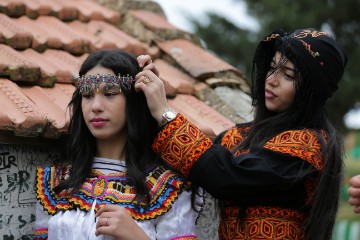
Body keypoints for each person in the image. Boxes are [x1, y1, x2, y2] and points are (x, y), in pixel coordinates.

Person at [135, 28, 348, 239]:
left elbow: (227, 177)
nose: (272, 79)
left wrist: (165, 113)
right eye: (272, 67)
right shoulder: (243, 135)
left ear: (312, 90)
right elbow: (199, 156)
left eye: (289, 75)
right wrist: (149, 95)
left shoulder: (308, 146)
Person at [33, 49, 201, 240]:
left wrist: (137, 237)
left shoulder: (167, 189)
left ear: (133, 102)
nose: (95, 106)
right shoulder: (56, 182)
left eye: (110, 93)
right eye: (87, 95)